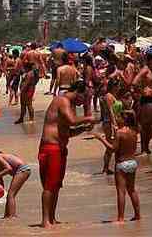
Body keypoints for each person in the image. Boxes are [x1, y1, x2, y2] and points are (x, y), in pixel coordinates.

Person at [38, 81, 96, 228]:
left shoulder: (69, 105)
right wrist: (88, 118)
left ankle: (52, 217)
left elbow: (67, 131)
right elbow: (72, 121)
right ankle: (45, 220)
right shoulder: (62, 100)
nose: (84, 102)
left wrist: (83, 128)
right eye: (85, 98)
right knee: (49, 186)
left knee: (56, 185)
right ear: (79, 92)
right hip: (51, 148)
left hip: (60, 148)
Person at [91, 113, 141, 223]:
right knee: (132, 190)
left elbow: (113, 148)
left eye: (119, 117)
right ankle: (137, 215)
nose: (117, 119)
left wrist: (101, 139)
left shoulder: (119, 133)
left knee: (121, 192)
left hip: (121, 164)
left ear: (124, 120)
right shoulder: (134, 131)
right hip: (132, 162)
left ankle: (121, 218)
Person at [131, 52, 152, 154]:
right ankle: (144, 147)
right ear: (151, 60)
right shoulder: (145, 70)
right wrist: (143, 91)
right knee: (145, 125)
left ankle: (146, 145)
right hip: (146, 101)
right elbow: (134, 82)